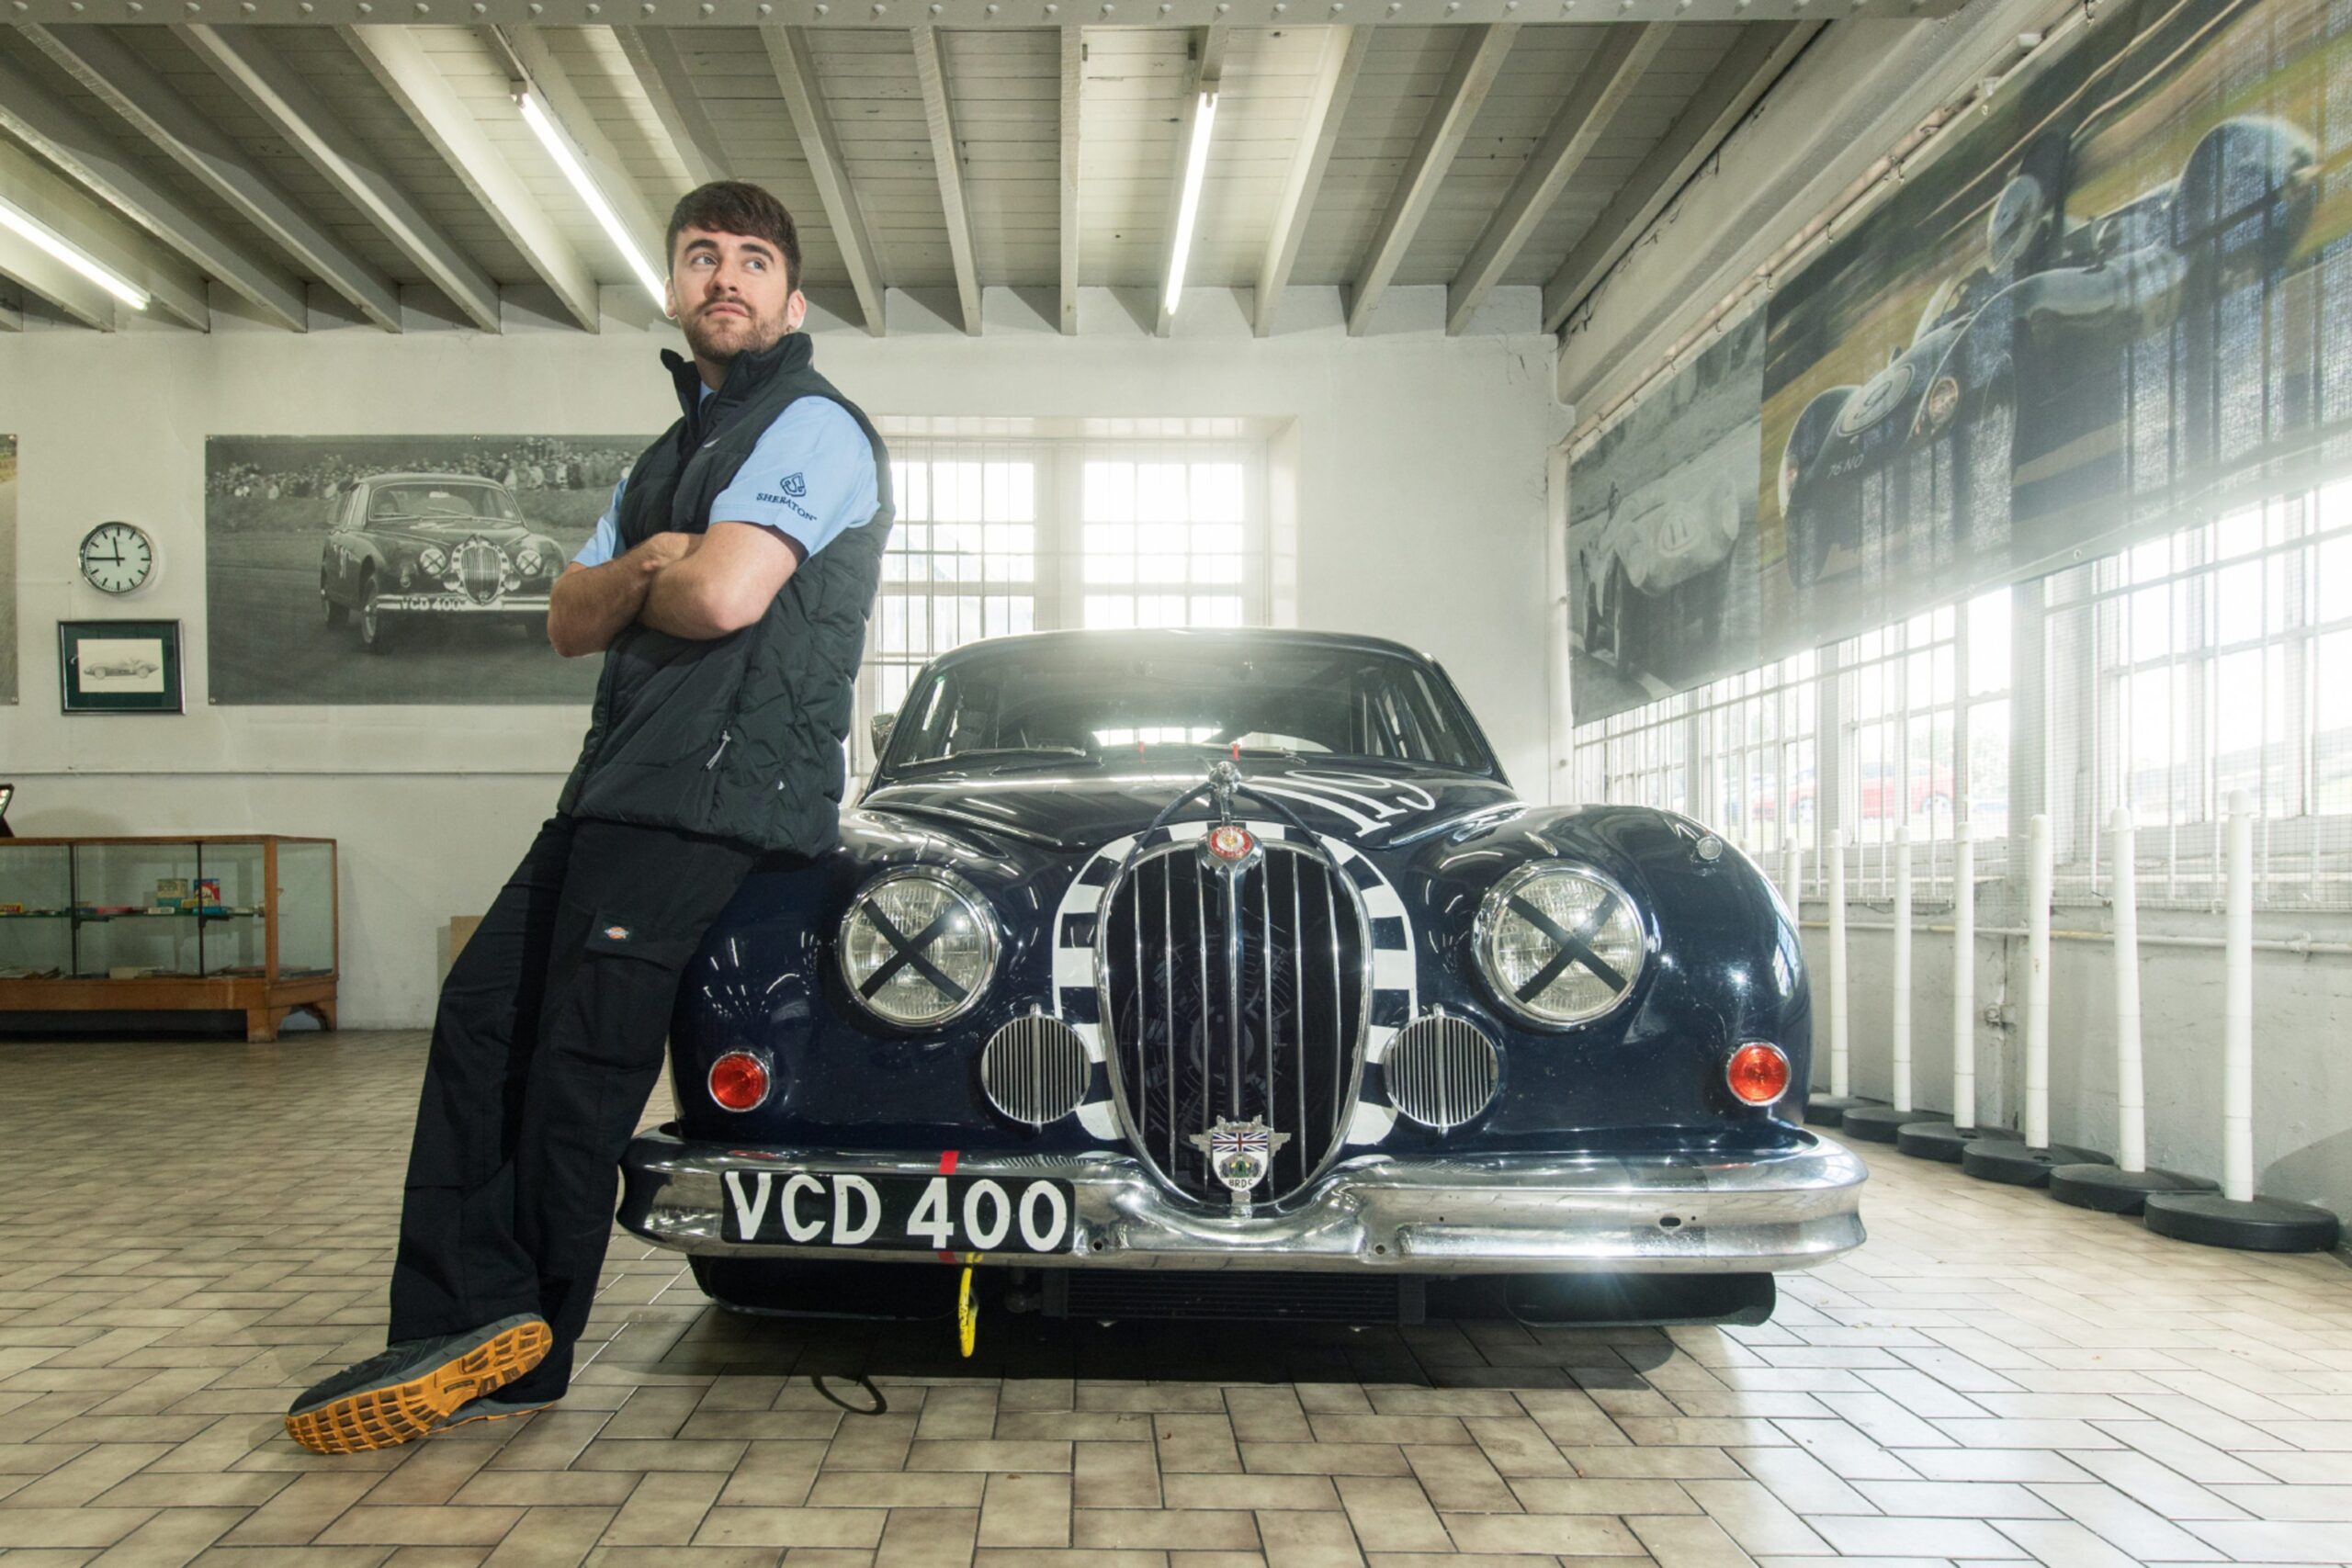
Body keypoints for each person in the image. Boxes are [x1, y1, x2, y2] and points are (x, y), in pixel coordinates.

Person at [283, 181, 892, 1455]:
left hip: (714, 798)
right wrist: (638, 567)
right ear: (675, 286)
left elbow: (725, 597)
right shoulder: (666, 457)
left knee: (580, 1058)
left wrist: (661, 569)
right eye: (700, 257)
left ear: (791, 296)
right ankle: (452, 1320)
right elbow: (565, 620)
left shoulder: (816, 428)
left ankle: (524, 1341)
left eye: (754, 260)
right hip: (616, 787)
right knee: (479, 1010)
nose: (725, 277)